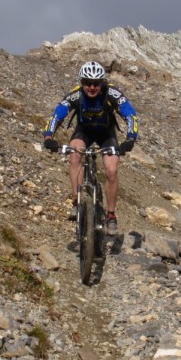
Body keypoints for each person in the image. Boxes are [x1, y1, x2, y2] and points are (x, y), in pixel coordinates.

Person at [43, 61, 138, 235]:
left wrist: (130, 139)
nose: (92, 87)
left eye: (96, 83)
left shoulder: (112, 93)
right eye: (87, 83)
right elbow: (56, 115)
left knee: (111, 170)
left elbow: (130, 115)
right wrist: (48, 137)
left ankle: (110, 215)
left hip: (106, 134)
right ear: (81, 82)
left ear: (102, 82)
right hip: (84, 132)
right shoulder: (75, 95)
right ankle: (77, 203)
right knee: (74, 154)